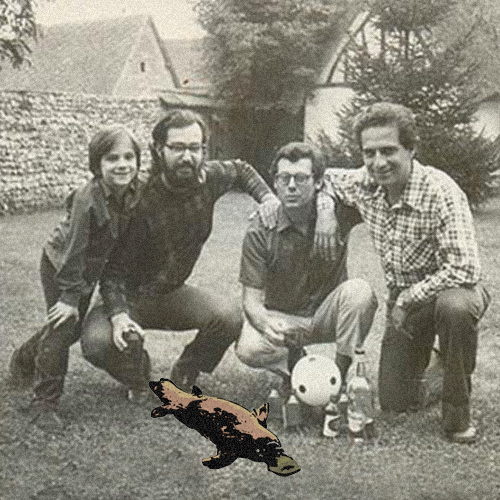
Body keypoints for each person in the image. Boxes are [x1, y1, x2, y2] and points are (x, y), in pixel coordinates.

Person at [320, 102, 491, 443]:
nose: (378, 162)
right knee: (395, 401)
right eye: (369, 153)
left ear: (411, 149)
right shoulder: (364, 182)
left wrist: (408, 299)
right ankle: (440, 366)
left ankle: (457, 416)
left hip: (453, 290)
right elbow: (325, 178)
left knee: (455, 308)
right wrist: (325, 210)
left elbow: (464, 267)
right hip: (406, 302)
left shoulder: (441, 191)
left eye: (388, 150)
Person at [79, 109, 282, 395]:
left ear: (203, 150)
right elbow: (112, 273)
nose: (187, 156)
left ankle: (187, 370)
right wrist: (119, 315)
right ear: (158, 149)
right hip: (128, 295)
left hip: (171, 294)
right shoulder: (138, 196)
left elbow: (241, 170)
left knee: (229, 316)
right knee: (97, 342)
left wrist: (268, 199)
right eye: (177, 147)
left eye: (194, 148)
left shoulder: (209, 178)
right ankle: (137, 371)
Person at [9, 125, 146, 431]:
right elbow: (74, 251)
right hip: (61, 265)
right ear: (97, 164)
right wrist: (70, 298)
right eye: (112, 158)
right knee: (64, 326)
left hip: (90, 267)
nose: (122, 164)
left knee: (68, 330)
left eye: (129, 157)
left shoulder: (135, 190)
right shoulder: (88, 198)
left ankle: (24, 358)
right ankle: (44, 403)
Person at [235, 142, 378, 395]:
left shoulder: (339, 214)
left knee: (360, 292)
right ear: (275, 183)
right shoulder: (261, 229)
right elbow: (251, 302)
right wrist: (267, 326)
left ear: (318, 182)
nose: (291, 186)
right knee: (249, 346)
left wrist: (326, 207)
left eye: (301, 178)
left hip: (328, 315)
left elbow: (373, 180)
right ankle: (299, 371)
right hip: (285, 319)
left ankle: (337, 378)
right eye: (284, 178)